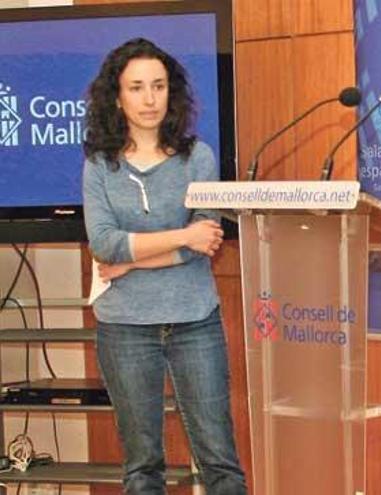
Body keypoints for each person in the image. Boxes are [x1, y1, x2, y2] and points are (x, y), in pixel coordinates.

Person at [82, 38, 247, 495]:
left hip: (196, 321)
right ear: (117, 97)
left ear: (171, 93)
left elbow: (207, 239)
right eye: (136, 87)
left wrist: (132, 264)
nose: (149, 98)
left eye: (158, 86)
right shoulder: (99, 166)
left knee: (220, 461)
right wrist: (180, 236)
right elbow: (104, 244)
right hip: (125, 328)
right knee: (142, 468)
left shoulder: (199, 157)